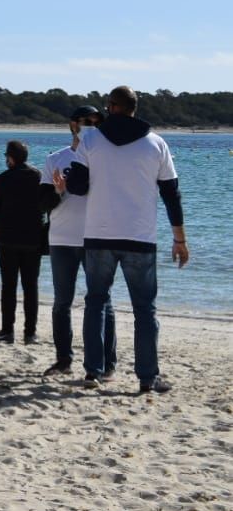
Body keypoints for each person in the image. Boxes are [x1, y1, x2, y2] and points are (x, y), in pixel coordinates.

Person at [60, 85, 189, 394]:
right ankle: (147, 378)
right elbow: (172, 194)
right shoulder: (157, 143)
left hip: (99, 235)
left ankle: (94, 371)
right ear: (134, 108)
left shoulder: (90, 139)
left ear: (111, 107)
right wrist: (179, 239)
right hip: (139, 237)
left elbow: (76, 188)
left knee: (96, 302)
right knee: (145, 310)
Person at [40, 106, 116, 378]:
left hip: (96, 238)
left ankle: (107, 364)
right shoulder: (55, 159)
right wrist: (59, 192)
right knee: (62, 302)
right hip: (61, 239)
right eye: (87, 122)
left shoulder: (105, 159)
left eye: (96, 123)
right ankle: (63, 360)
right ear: (73, 125)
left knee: (102, 301)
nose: (91, 127)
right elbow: (42, 202)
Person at [0, 140, 47, 344]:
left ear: (10, 158)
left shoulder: (2, 179)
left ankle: (7, 330)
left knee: (8, 286)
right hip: (33, 239)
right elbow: (47, 204)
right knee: (31, 286)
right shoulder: (39, 176)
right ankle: (30, 333)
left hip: (7, 239)